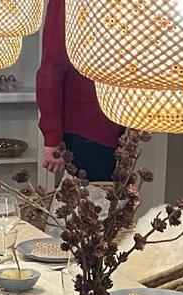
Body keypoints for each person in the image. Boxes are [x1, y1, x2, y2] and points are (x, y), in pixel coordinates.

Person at [36, 0, 124, 181]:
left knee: (110, 195)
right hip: (86, 129)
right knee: (92, 195)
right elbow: (52, 68)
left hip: (119, 124)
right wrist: (52, 137)